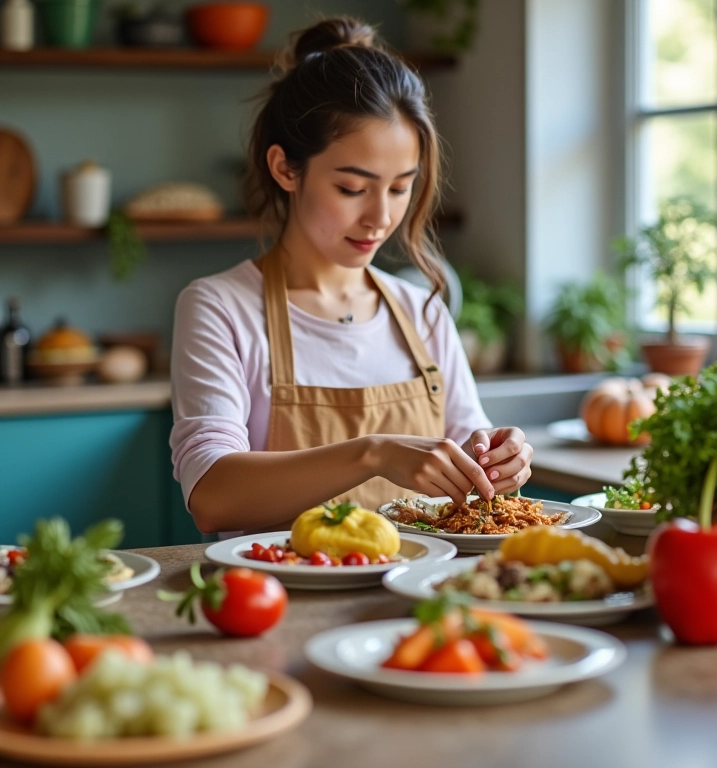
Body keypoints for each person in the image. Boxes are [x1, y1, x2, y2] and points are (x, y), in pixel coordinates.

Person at [170, 17, 533, 535]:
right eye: (351, 188)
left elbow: (470, 449)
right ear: (286, 169)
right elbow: (212, 495)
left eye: (400, 187)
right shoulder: (220, 307)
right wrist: (373, 454)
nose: (380, 218)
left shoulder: (420, 310)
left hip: (419, 601)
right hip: (283, 602)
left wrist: (499, 458)